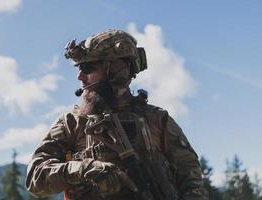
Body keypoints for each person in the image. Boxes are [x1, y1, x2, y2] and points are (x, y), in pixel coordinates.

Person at [26, 29, 208, 200]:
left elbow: (191, 178)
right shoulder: (72, 122)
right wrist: (82, 168)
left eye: (88, 68)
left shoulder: (158, 120)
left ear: (117, 69)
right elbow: (35, 178)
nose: (80, 76)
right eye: (79, 68)